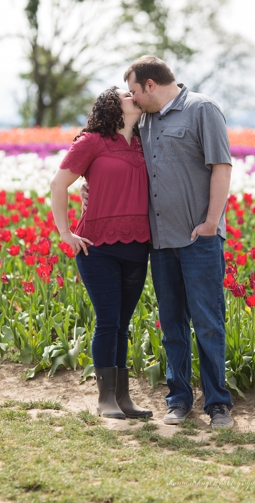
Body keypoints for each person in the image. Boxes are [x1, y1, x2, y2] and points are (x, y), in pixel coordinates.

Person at [125, 56, 234, 428]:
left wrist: (210, 222)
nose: (133, 98)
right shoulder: (146, 120)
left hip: (198, 240)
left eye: (135, 91)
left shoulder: (202, 109)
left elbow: (221, 166)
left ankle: (218, 404)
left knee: (207, 322)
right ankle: (179, 399)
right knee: (171, 323)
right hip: (160, 242)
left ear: (151, 85)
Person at [50, 87, 153, 420]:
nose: (133, 95)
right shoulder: (92, 142)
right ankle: (104, 398)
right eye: (126, 94)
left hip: (138, 244)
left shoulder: (144, 142)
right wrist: (65, 232)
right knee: (108, 321)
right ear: (112, 106)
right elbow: (57, 184)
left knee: (123, 324)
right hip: (97, 246)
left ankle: (123, 397)